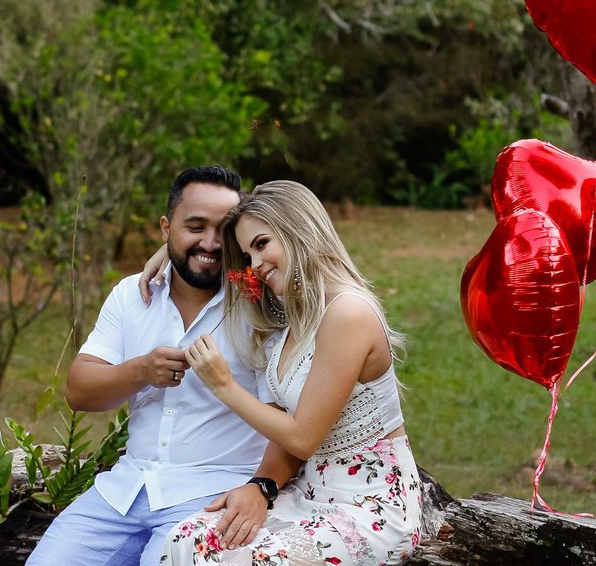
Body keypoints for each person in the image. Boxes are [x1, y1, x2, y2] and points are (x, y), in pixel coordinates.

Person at [27, 167, 303, 566]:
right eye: (195, 227)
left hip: (213, 495)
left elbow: (289, 418)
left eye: (223, 230)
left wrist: (262, 487)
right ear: (165, 227)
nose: (210, 242)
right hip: (122, 492)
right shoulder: (131, 295)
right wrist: (140, 371)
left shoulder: (260, 304)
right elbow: (78, 392)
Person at [160, 180, 423, 566]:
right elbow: (281, 422)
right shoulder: (290, 317)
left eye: (261, 244)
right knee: (187, 539)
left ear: (299, 229)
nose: (255, 265)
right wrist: (260, 487)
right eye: (247, 255)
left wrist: (223, 385)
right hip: (307, 492)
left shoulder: (348, 313)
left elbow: (302, 438)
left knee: (251, 560)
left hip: (370, 506)